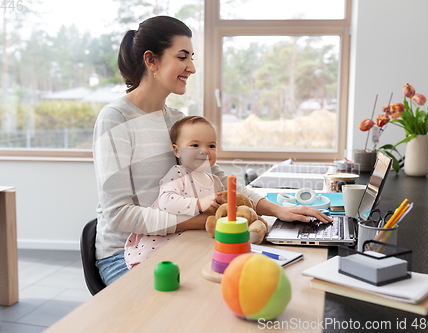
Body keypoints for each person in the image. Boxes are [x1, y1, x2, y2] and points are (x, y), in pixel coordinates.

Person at [93, 15, 332, 286]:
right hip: (126, 253)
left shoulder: (176, 120)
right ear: (151, 60)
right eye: (182, 57)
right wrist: (204, 221)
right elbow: (118, 215)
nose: (192, 68)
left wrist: (277, 210)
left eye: (191, 57)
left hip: (176, 241)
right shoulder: (115, 118)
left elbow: (220, 181)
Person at [124, 116, 223, 269]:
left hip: (193, 242)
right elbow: (165, 201)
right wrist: (198, 204)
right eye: (195, 145)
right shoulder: (178, 174)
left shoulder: (216, 181)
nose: (204, 151)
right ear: (177, 151)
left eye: (211, 146)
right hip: (159, 244)